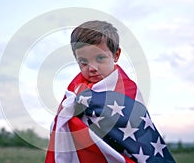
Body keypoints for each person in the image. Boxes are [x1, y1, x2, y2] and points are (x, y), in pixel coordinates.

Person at [45, 20, 176, 163]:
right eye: (83, 62)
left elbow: (138, 133)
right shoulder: (75, 91)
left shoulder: (128, 91)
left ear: (116, 55)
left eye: (100, 58)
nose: (92, 67)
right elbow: (61, 124)